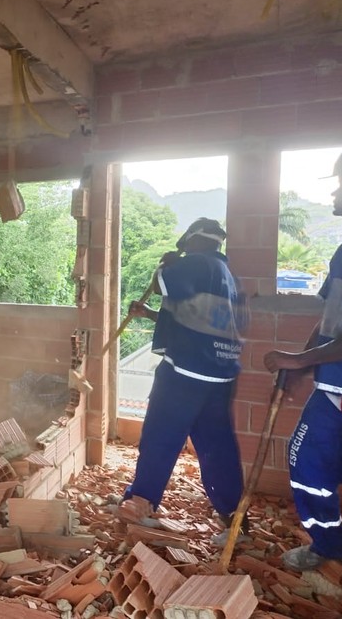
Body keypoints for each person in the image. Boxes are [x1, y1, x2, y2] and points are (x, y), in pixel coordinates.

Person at [264, 139, 342, 619]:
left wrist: (298, 361)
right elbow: (332, 318)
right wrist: (298, 363)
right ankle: (332, 546)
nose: (336, 190)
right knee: (306, 464)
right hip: (334, 389)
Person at [117, 218, 249, 543]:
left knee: (160, 437)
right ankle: (235, 522)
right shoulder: (226, 276)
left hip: (185, 374)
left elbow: (166, 282)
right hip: (219, 376)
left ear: (193, 240)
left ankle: (141, 502)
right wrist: (149, 314)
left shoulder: (195, 263)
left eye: (185, 245)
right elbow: (196, 318)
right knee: (217, 448)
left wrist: (166, 266)